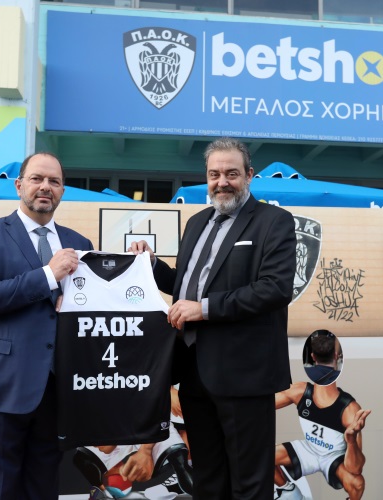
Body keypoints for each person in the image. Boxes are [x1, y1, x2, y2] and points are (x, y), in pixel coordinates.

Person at [130, 137, 297, 499]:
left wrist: (203, 308)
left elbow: (275, 288)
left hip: (244, 375)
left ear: (249, 175)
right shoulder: (196, 223)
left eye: (231, 173)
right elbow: (185, 286)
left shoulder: (274, 221)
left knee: (249, 484)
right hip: (194, 374)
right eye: (214, 174)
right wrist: (152, 265)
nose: (222, 182)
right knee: (207, 478)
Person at [0, 152, 93, 498]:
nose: (45, 187)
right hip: (0, 386)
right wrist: (49, 275)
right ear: (19, 186)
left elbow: (90, 309)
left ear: (62, 191)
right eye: (37, 179)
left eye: (54, 181)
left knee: (44, 490)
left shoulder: (81, 245)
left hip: (57, 390)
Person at [272, 375, 371, 499]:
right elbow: (261, 406)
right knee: (263, 457)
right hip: (309, 449)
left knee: (357, 483)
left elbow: (355, 469)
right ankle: (289, 492)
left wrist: (351, 441)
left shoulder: (349, 409)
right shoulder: (300, 391)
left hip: (332, 456)